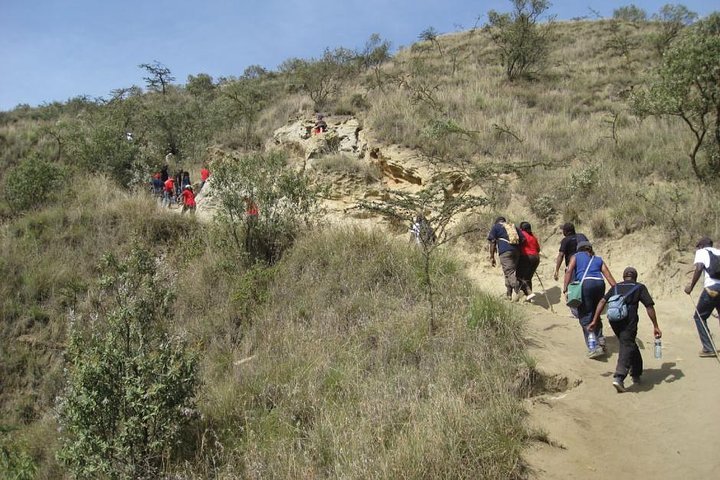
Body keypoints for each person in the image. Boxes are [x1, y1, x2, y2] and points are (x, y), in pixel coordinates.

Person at [588, 267, 662, 392]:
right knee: (627, 345)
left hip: (614, 321)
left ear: (623, 277)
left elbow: (602, 302)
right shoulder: (639, 287)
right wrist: (655, 325)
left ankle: (636, 372)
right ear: (635, 277)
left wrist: (595, 320)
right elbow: (649, 306)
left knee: (629, 343)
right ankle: (619, 377)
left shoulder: (616, 287)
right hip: (629, 321)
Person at [563, 240, 617, 358]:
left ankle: (594, 347)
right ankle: (601, 339)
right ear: (590, 249)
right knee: (595, 313)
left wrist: (565, 288)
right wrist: (618, 290)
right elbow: (608, 275)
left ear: (579, 249)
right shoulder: (598, 259)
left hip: (585, 285)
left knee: (585, 317)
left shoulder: (576, 256)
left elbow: (569, 271)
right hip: (599, 284)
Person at [684, 236, 720, 357]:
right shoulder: (719, 252)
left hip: (712, 288)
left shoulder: (702, 252)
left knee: (699, 316)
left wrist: (691, 287)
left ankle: (708, 348)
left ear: (701, 245)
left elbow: (699, 268)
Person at [488, 216, 524, 301]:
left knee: (509, 272)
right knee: (508, 272)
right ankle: (509, 294)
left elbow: (492, 242)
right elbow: (523, 238)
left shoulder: (496, 227)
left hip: (505, 252)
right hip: (516, 251)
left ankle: (519, 291)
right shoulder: (513, 226)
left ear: (497, 222)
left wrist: (492, 256)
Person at [517, 222, 540, 301]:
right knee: (528, 277)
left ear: (522, 228)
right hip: (536, 257)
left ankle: (528, 293)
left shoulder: (521, 233)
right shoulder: (533, 236)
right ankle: (530, 297)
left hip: (526, 256)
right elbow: (538, 249)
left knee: (519, 276)